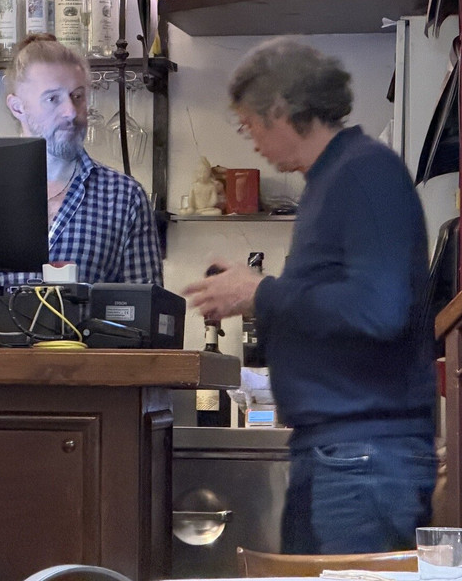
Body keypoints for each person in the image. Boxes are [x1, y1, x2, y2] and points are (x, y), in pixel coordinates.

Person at [183, 39, 436, 554]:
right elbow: (336, 302)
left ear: (280, 108)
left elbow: (379, 310)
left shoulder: (365, 172)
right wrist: (257, 295)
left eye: (248, 123)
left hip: (361, 458)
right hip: (340, 453)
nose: (251, 140)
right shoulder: (332, 180)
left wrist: (261, 292)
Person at [3, 34, 163, 285]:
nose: (71, 112)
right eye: (53, 98)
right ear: (17, 107)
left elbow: (145, 305)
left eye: (77, 96)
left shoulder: (124, 197)